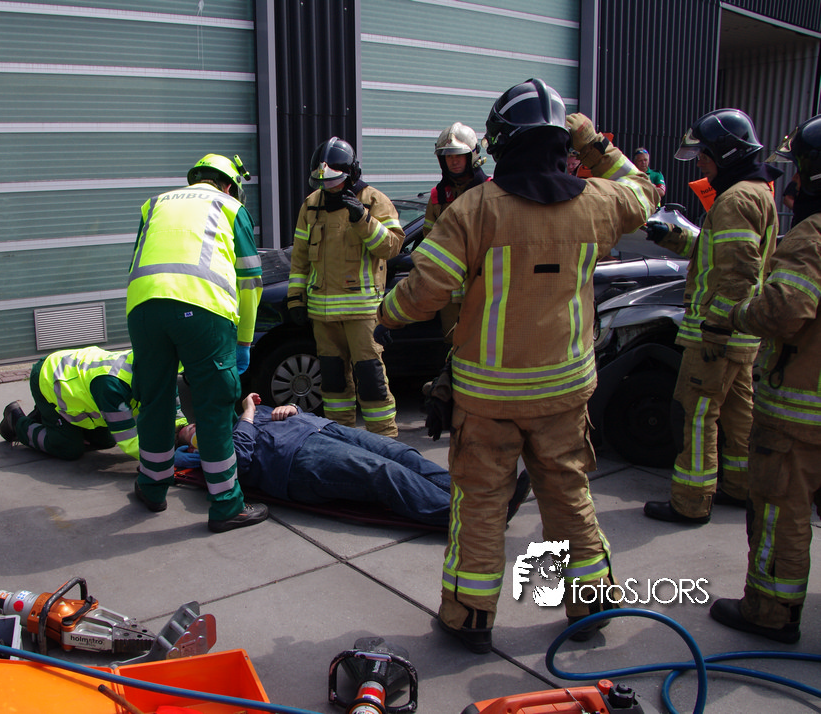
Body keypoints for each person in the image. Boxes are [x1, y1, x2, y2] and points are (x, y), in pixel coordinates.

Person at [377, 78, 659, 653]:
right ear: (560, 143)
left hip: (489, 399)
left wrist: (386, 313)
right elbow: (645, 189)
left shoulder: (474, 210)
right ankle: (592, 605)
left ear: (500, 143)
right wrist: (593, 142)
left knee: (481, 504)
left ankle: (470, 618)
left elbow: (424, 293)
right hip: (565, 393)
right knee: (568, 495)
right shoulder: (599, 202)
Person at [708, 115, 821, 645]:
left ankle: (771, 612)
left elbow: (784, 311)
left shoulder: (812, 237)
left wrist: (738, 314)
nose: (792, 180)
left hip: (800, 409)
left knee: (781, 511)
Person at [642, 109, 781, 526]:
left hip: (716, 336)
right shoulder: (755, 192)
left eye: (705, 153)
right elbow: (716, 251)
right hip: (742, 335)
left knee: (697, 413)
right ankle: (739, 486)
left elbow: (738, 272)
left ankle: (691, 501)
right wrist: (672, 236)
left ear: (726, 152)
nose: (700, 162)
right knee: (738, 414)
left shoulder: (735, 200)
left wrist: (716, 329)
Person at [125, 154, 268, 533]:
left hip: (143, 307)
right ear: (229, 185)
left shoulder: (154, 204)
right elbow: (250, 280)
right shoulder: (230, 207)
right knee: (213, 405)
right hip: (203, 310)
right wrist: (244, 341)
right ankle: (226, 505)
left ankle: (152, 487)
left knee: (154, 400)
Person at [179, 393, 530, 528]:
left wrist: (293, 408)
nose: (195, 427)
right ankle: (477, 518)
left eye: (192, 423)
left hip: (320, 429)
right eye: (189, 432)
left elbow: (290, 412)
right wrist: (248, 414)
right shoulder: (210, 451)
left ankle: (482, 500)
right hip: (295, 460)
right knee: (384, 473)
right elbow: (238, 463)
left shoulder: (241, 417)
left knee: (400, 454)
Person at [286, 137, 405, 436]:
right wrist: (295, 298)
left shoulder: (373, 200)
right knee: (333, 383)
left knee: (372, 381)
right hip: (323, 315)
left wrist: (363, 219)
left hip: (363, 314)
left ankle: (385, 441)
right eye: (323, 182)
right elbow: (300, 257)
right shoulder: (311, 205)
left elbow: (392, 247)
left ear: (351, 174)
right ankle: (340, 439)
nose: (328, 187)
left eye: (334, 181)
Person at [0, 347, 196, 465]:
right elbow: (128, 442)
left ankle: (52, 420)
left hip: (78, 382)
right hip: (49, 377)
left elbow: (174, 410)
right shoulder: (113, 386)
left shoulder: (159, 370)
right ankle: (17, 421)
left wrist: (180, 428)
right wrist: (166, 460)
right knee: (69, 448)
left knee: (106, 441)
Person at [423, 122, 489, 341]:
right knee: (453, 346)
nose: (454, 160)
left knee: (484, 344)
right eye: (448, 156)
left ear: (472, 155)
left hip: (484, 289)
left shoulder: (490, 192)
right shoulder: (437, 196)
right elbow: (429, 242)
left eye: (459, 155)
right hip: (449, 293)